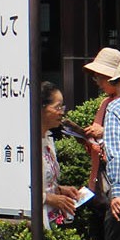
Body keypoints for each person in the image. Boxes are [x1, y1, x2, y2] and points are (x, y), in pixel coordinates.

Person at [83, 47, 120, 240]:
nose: (99, 82)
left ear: (118, 79)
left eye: (102, 77)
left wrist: (119, 190)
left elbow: (117, 152)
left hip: (115, 190)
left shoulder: (116, 107)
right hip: (102, 186)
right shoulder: (104, 105)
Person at [39, 82, 84, 228]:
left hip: (51, 218)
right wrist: (49, 198)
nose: (61, 112)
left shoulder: (48, 139)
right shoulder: (25, 144)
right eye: (57, 107)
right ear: (41, 108)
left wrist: (59, 190)